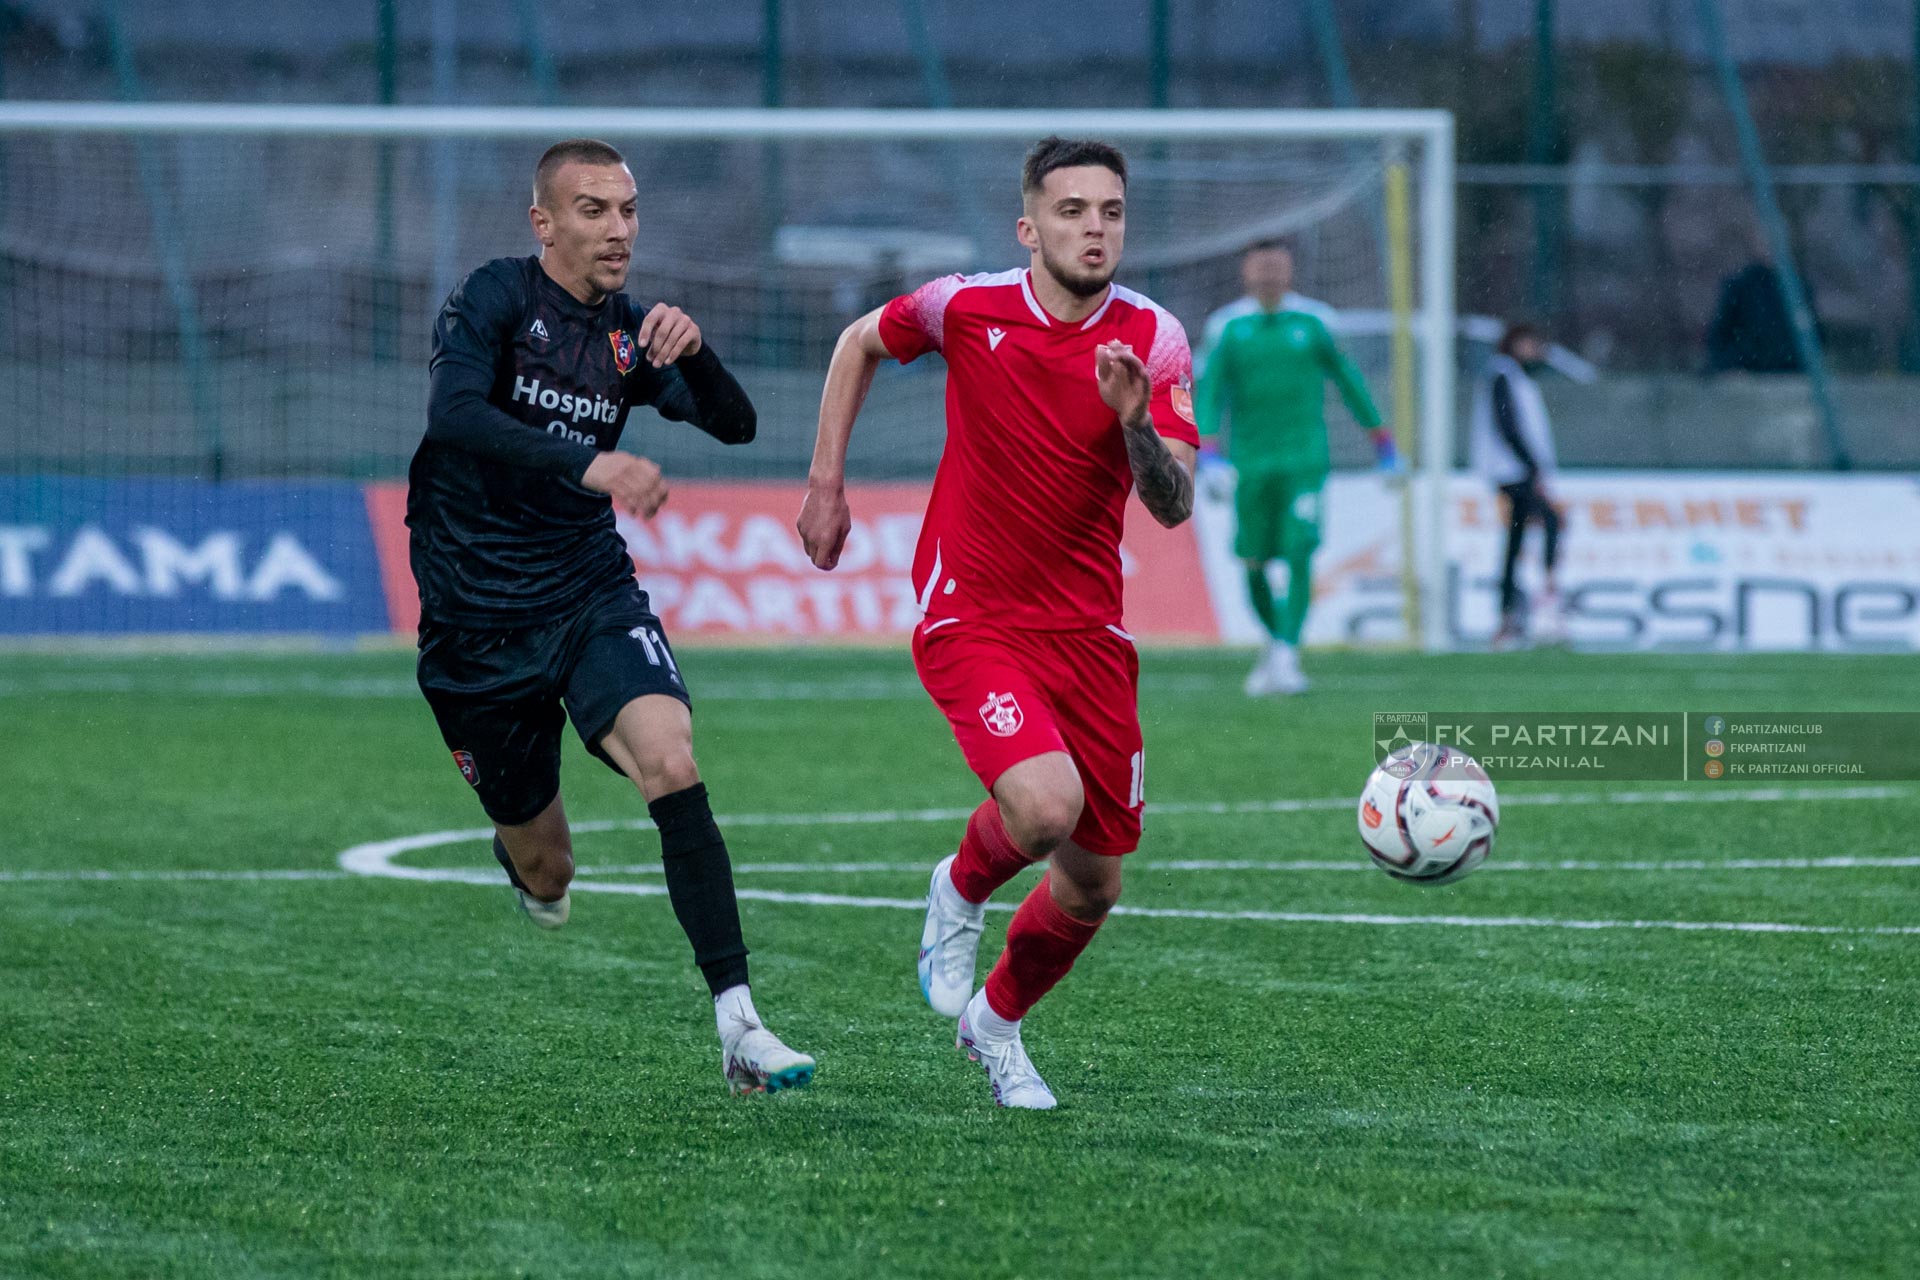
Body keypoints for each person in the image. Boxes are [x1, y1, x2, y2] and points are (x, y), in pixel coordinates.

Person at [797, 137, 1198, 1110]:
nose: (1094, 228)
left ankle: (996, 1024)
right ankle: (962, 886)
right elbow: (858, 342)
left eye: (1110, 211)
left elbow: (1175, 505)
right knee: (1045, 808)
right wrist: (826, 482)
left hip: (1090, 634)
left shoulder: (1154, 338)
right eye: (1072, 210)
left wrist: (1135, 420)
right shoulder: (965, 306)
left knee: (1093, 884)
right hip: (971, 612)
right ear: (1029, 227)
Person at [408, 138, 814, 1095]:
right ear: (545, 223)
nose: (618, 229)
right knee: (549, 871)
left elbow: (737, 425)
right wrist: (588, 462)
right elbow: (454, 413)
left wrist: (699, 354)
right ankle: (521, 861)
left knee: (671, 760)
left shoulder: (632, 332)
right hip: (474, 624)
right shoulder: (495, 297)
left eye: (628, 210)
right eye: (593, 210)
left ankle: (740, 1025)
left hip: (588, 589)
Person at [1193, 239, 1397, 695]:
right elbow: (1211, 392)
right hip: (1250, 464)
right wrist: (1208, 453)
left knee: (1300, 550)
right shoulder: (1228, 327)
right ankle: (1276, 644)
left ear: (1290, 271)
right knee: (1253, 561)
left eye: (1277, 265)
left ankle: (1286, 654)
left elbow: (1348, 380)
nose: (1269, 273)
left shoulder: (1316, 322)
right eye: (1261, 266)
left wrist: (1382, 441)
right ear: (1247, 272)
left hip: (1304, 461)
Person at [1469, 322, 1562, 648]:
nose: (1535, 351)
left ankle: (1507, 617)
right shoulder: (1502, 374)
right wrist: (1530, 463)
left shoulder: (1519, 378)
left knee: (1514, 542)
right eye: (1529, 343)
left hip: (1518, 470)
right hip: (1511, 472)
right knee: (1550, 521)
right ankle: (1546, 598)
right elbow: (1506, 424)